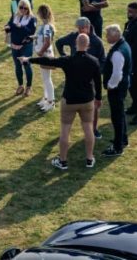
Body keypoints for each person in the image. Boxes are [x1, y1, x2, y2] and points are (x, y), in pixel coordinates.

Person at [24, 32, 102, 170]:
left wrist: (29, 60)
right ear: (88, 45)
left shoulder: (68, 60)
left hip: (70, 99)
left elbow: (48, 61)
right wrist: (99, 98)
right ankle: (89, 159)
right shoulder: (94, 61)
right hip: (87, 100)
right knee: (88, 128)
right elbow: (98, 82)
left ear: (75, 44)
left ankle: (63, 161)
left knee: (65, 129)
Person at [102, 24, 132, 157]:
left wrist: (110, 85)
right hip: (123, 85)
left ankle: (118, 146)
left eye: (107, 35)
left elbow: (117, 74)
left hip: (117, 87)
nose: (106, 37)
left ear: (115, 35)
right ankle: (123, 139)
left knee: (117, 116)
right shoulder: (124, 45)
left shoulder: (118, 52)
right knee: (120, 114)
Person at [5, 0, 37, 97]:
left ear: (29, 8)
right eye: (21, 7)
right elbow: (10, 24)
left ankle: (28, 86)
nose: (23, 10)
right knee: (17, 66)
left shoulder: (32, 19)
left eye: (25, 8)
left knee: (26, 65)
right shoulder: (15, 15)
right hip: (14, 45)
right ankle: (20, 85)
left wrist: (21, 27)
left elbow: (31, 32)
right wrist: (7, 28)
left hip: (25, 46)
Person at [34, 4, 57, 112]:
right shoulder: (44, 25)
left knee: (47, 79)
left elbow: (47, 42)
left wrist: (41, 52)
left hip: (45, 54)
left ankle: (51, 102)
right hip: (43, 53)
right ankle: (46, 98)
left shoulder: (47, 26)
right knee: (45, 78)